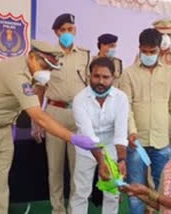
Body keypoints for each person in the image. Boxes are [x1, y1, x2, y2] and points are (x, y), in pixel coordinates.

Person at [0, 40, 97, 214]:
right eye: (45, 66)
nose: (47, 72)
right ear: (32, 56)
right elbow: (39, 115)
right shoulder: (16, 73)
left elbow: (36, 95)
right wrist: (73, 138)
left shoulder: (33, 73)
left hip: (3, 130)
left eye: (51, 69)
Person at [119, 28, 171, 214]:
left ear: (160, 50)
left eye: (152, 52)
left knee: (164, 191)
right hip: (136, 142)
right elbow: (126, 108)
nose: (148, 55)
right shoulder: (128, 74)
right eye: (145, 51)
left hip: (162, 141)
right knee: (135, 191)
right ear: (139, 48)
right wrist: (131, 131)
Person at [35, 13, 91, 214]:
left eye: (71, 29)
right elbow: (40, 89)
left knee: (78, 168)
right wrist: (37, 121)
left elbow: (91, 88)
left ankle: (75, 209)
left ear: (75, 30)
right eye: (63, 30)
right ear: (56, 32)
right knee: (55, 168)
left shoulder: (86, 55)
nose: (67, 33)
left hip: (78, 116)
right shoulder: (48, 55)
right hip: (54, 114)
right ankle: (57, 209)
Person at [70, 57, 128, 214]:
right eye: (96, 76)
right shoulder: (80, 99)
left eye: (105, 77)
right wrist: (102, 162)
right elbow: (89, 136)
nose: (100, 81)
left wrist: (121, 159)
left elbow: (121, 133)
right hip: (86, 149)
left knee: (112, 193)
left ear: (113, 78)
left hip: (111, 148)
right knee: (81, 192)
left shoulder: (121, 98)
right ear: (89, 76)